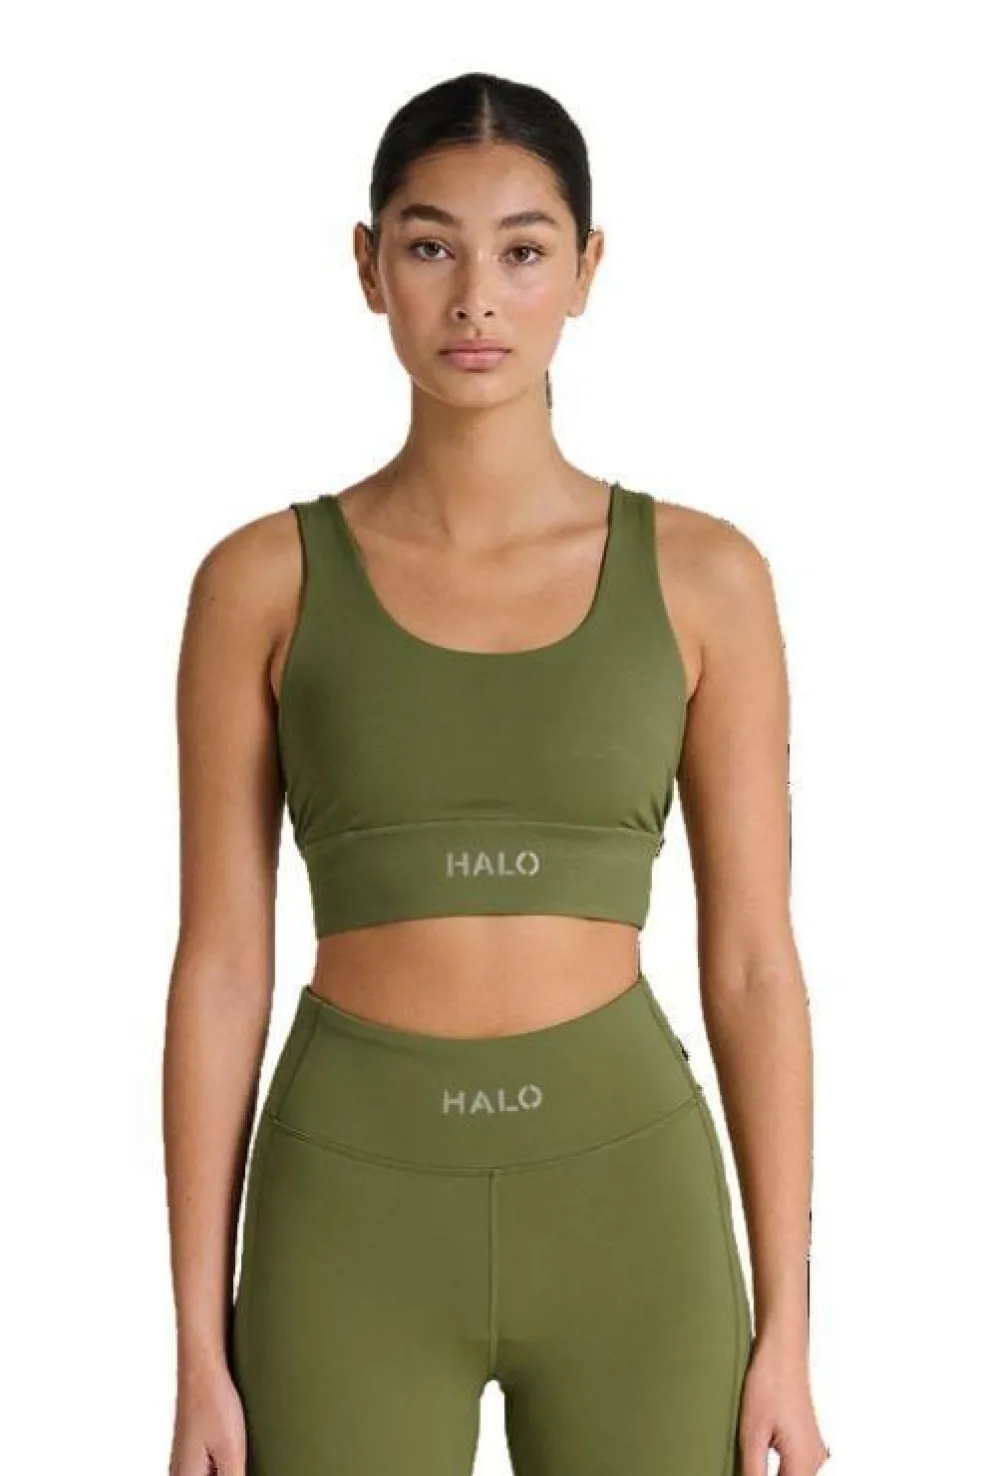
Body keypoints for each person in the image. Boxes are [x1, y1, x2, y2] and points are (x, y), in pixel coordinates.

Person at [164, 70, 829, 1476]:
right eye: (431, 246)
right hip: (347, 1214)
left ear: (587, 270)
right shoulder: (260, 582)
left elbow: (756, 963)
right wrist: (194, 1353)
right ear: (369, 267)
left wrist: (789, 1331)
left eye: (524, 250)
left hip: (630, 1209)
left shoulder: (708, 578)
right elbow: (220, 966)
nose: (476, 299)